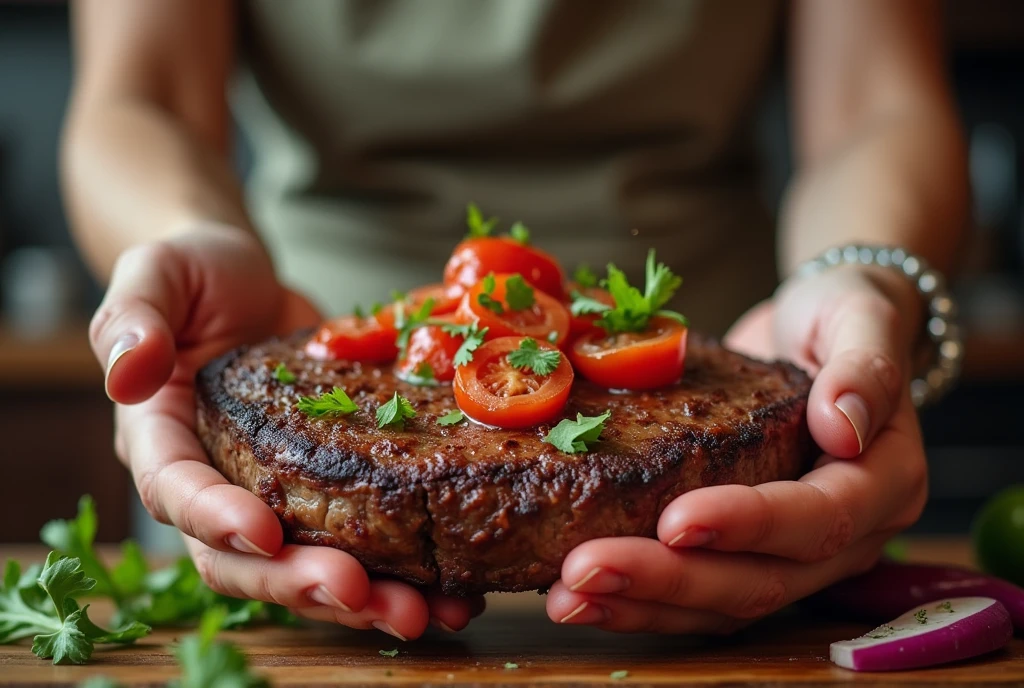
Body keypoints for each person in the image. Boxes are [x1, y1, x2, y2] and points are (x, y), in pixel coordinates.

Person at [62, 0, 968, 639]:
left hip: (719, 389)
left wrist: (861, 276)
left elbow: (875, 105)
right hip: (291, 360)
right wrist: (181, 241)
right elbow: (141, 99)